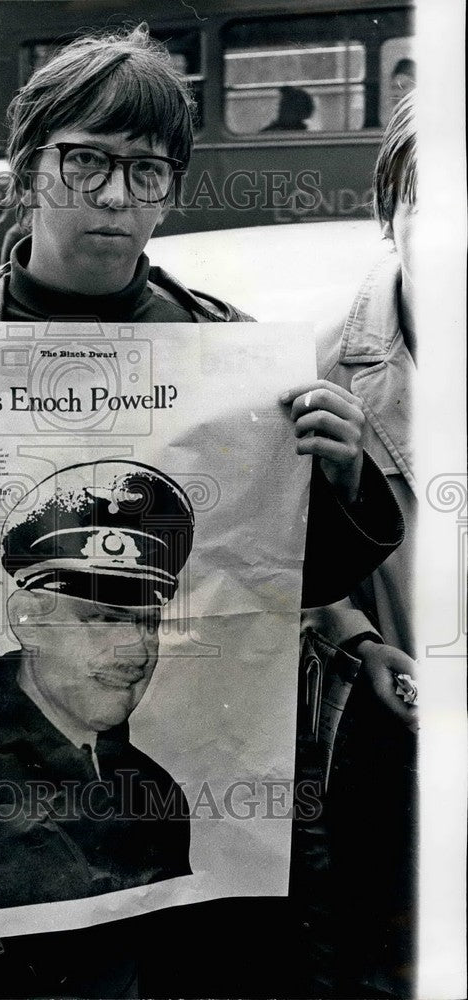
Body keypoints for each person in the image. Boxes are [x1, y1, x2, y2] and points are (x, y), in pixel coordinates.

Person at [0, 25, 403, 999]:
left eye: (146, 170)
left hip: (185, 932)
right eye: (86, 162)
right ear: (28, 170)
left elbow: (275, 592)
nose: (115, 197)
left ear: (171, 188)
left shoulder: (231, 352)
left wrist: (339, 475)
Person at [0, 461, 193, 911]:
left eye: (149, 624)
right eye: (104, 619)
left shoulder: (155, 789)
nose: (138, 652)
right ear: (26, 619)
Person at [302, 90, 418, 997]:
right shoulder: (312, 374)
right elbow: (277, 569)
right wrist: (357, 638)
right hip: (389, 764)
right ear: (394, 206)